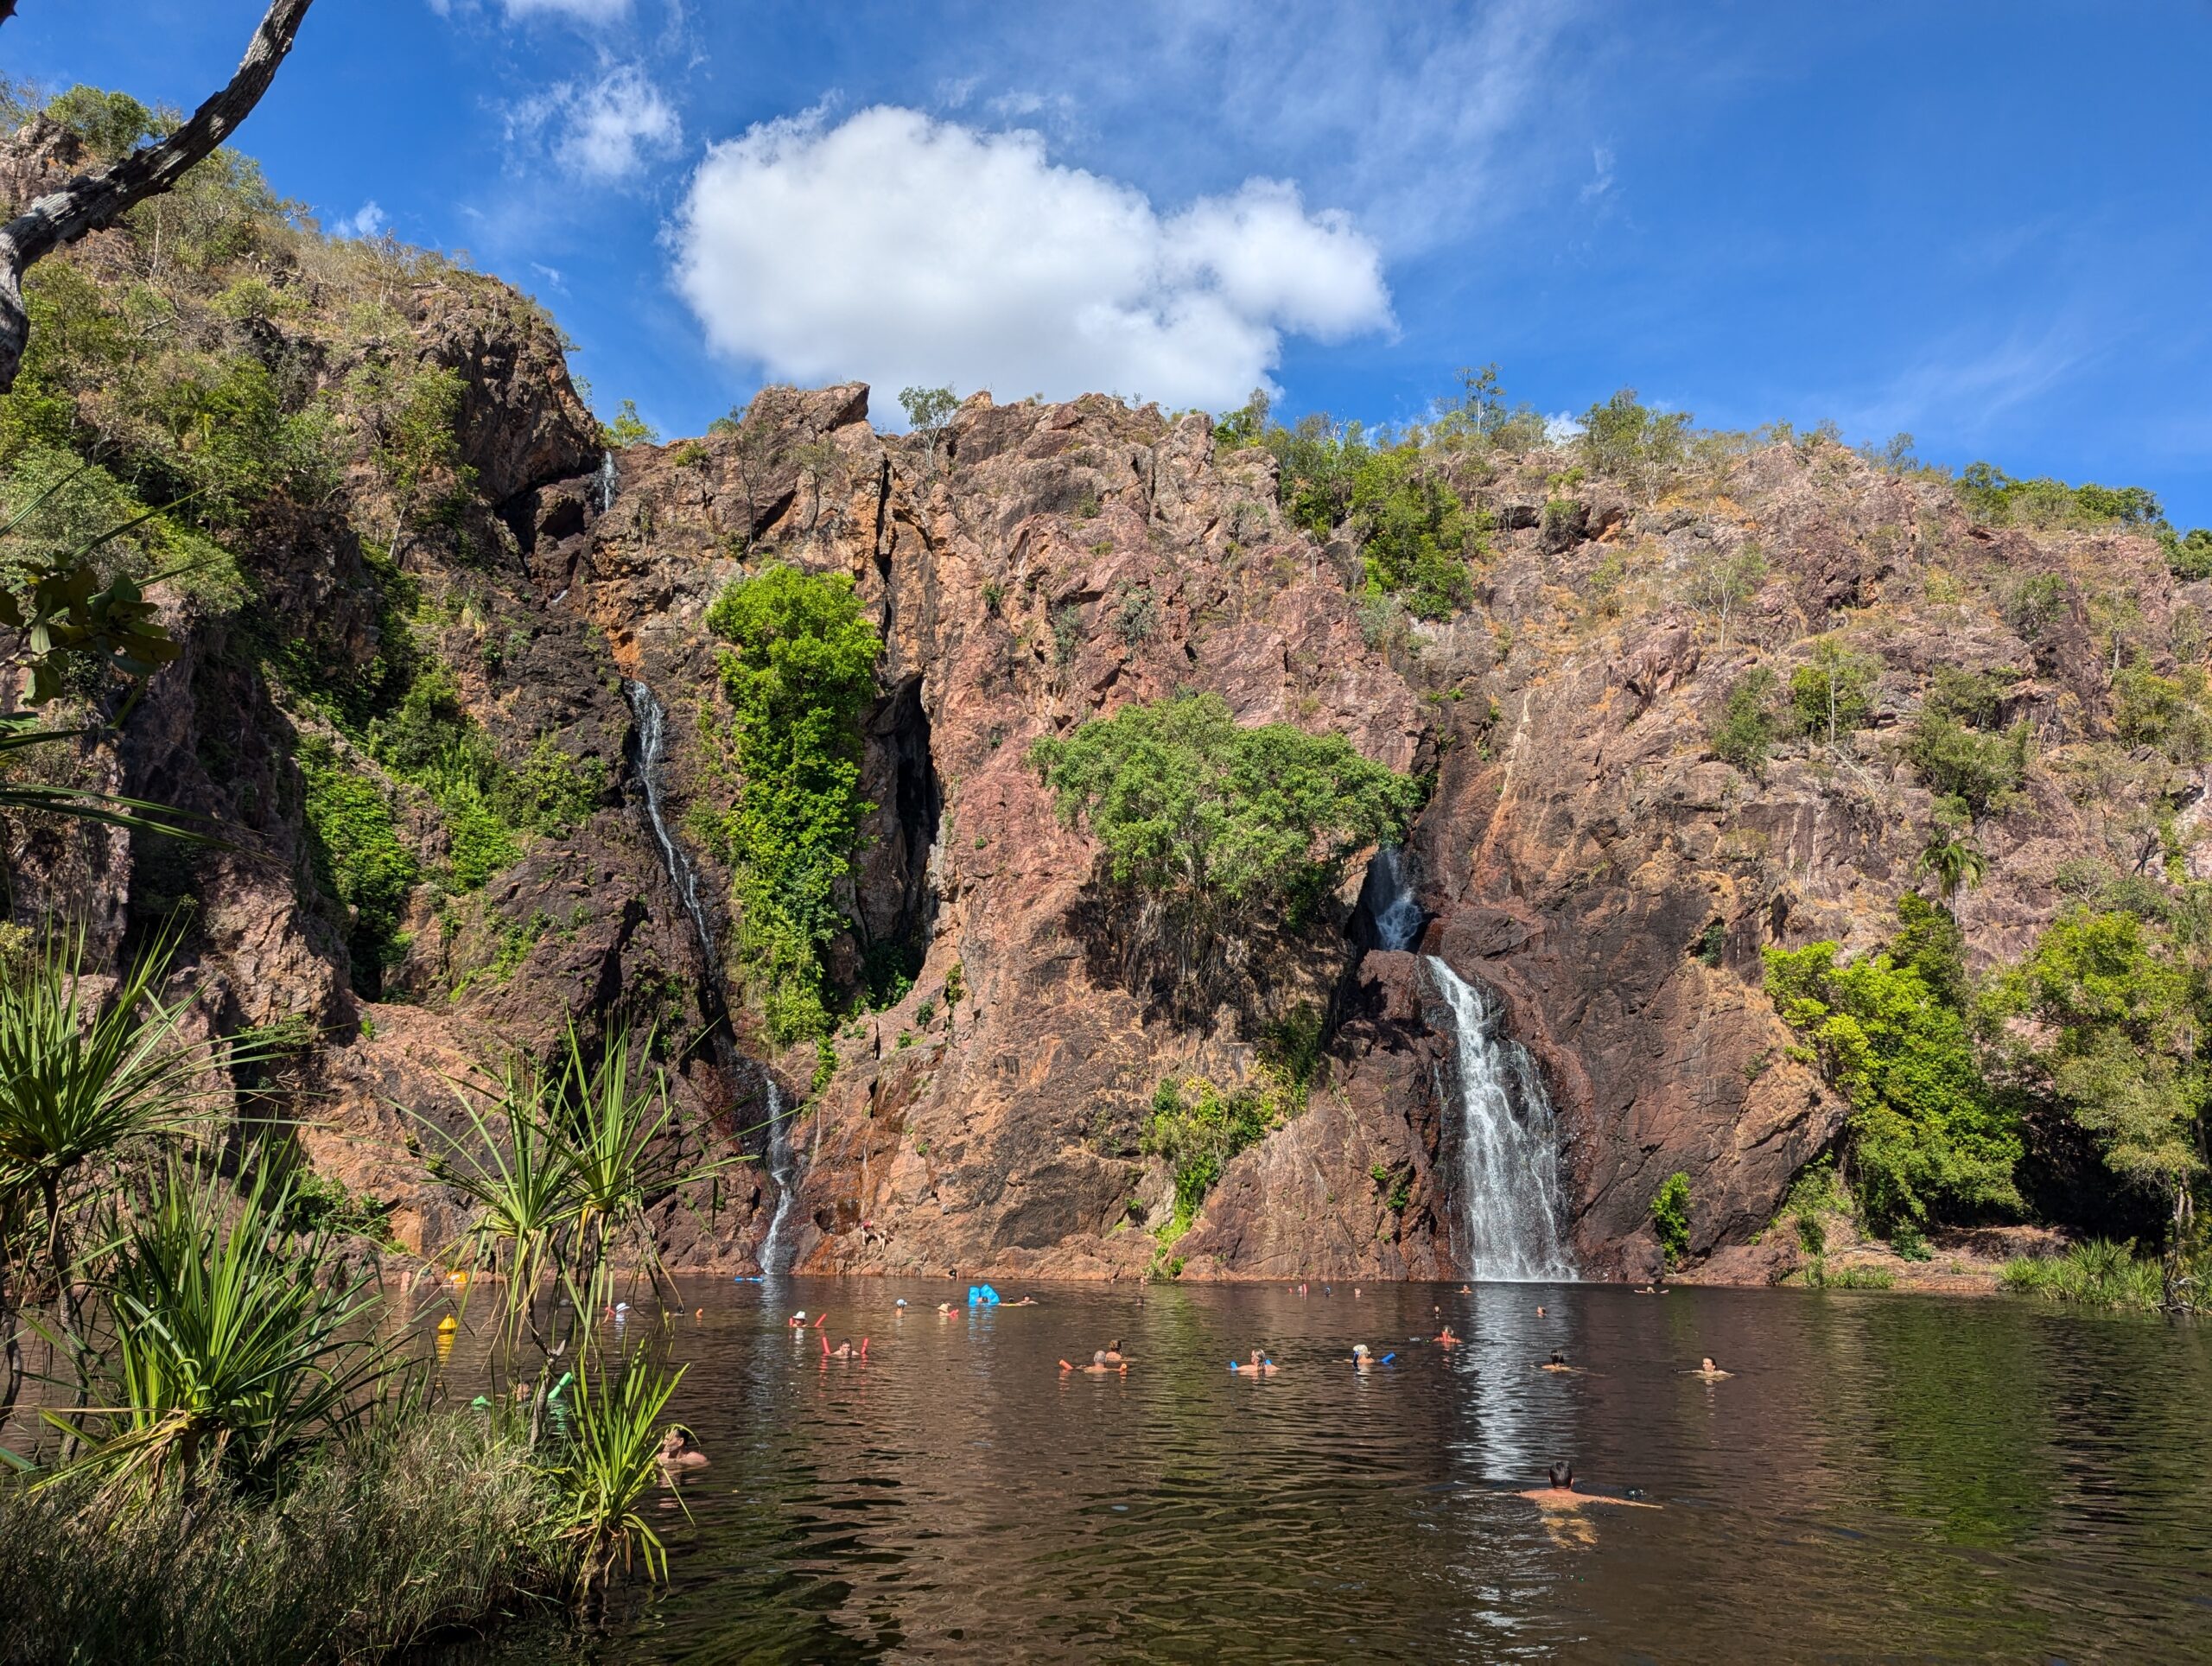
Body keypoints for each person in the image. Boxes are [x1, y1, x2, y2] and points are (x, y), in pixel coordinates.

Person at [1060, 1351, 1126, 1375]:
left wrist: (1079, 1367)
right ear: (1105, 1360)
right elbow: (1120, 1370)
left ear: (1094, 1359)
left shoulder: (1087, 1369)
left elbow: (1072, 1370)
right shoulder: (1106, 1370)